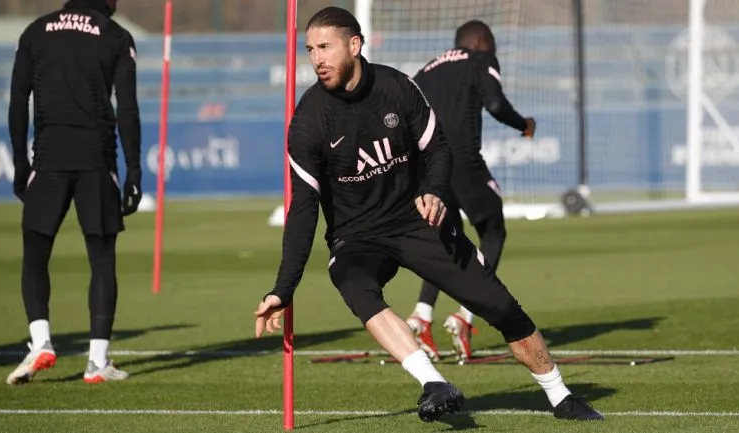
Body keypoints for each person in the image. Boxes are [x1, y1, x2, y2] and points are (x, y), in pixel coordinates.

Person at [254, 6, 602, 423]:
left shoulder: (398, 88)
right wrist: (283, 288)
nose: (317, 59)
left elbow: (438, 148)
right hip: (357, 234)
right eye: (309, 49)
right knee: (352, 282)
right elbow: (303, 211)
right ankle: (433, 382)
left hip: (416, 221)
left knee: (502, 308)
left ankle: (561, 396)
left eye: (325, 47)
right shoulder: (308, 121)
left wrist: (435, 191)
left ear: (355, 44)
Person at [6, 0, 141, 385]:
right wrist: (134, 169)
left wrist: (20, 162)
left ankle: (41, 341)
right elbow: (127, 107)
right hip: (97, 159)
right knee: (101, 256)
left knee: (35, 251)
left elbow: (18, 102)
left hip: (48, 157)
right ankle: (97, 361)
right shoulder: (115, 36)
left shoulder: (35, 32)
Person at [405, 20, 536, 362]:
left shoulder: (426, 70)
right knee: (493, 231)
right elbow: (494, 104)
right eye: (491, 44)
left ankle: (421, 315)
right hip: (461, 161)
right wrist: (524, 124)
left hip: (426, 169)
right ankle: (464, 315)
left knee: (447, 237)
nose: (493, 51)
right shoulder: (480, 60)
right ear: (480, 41)